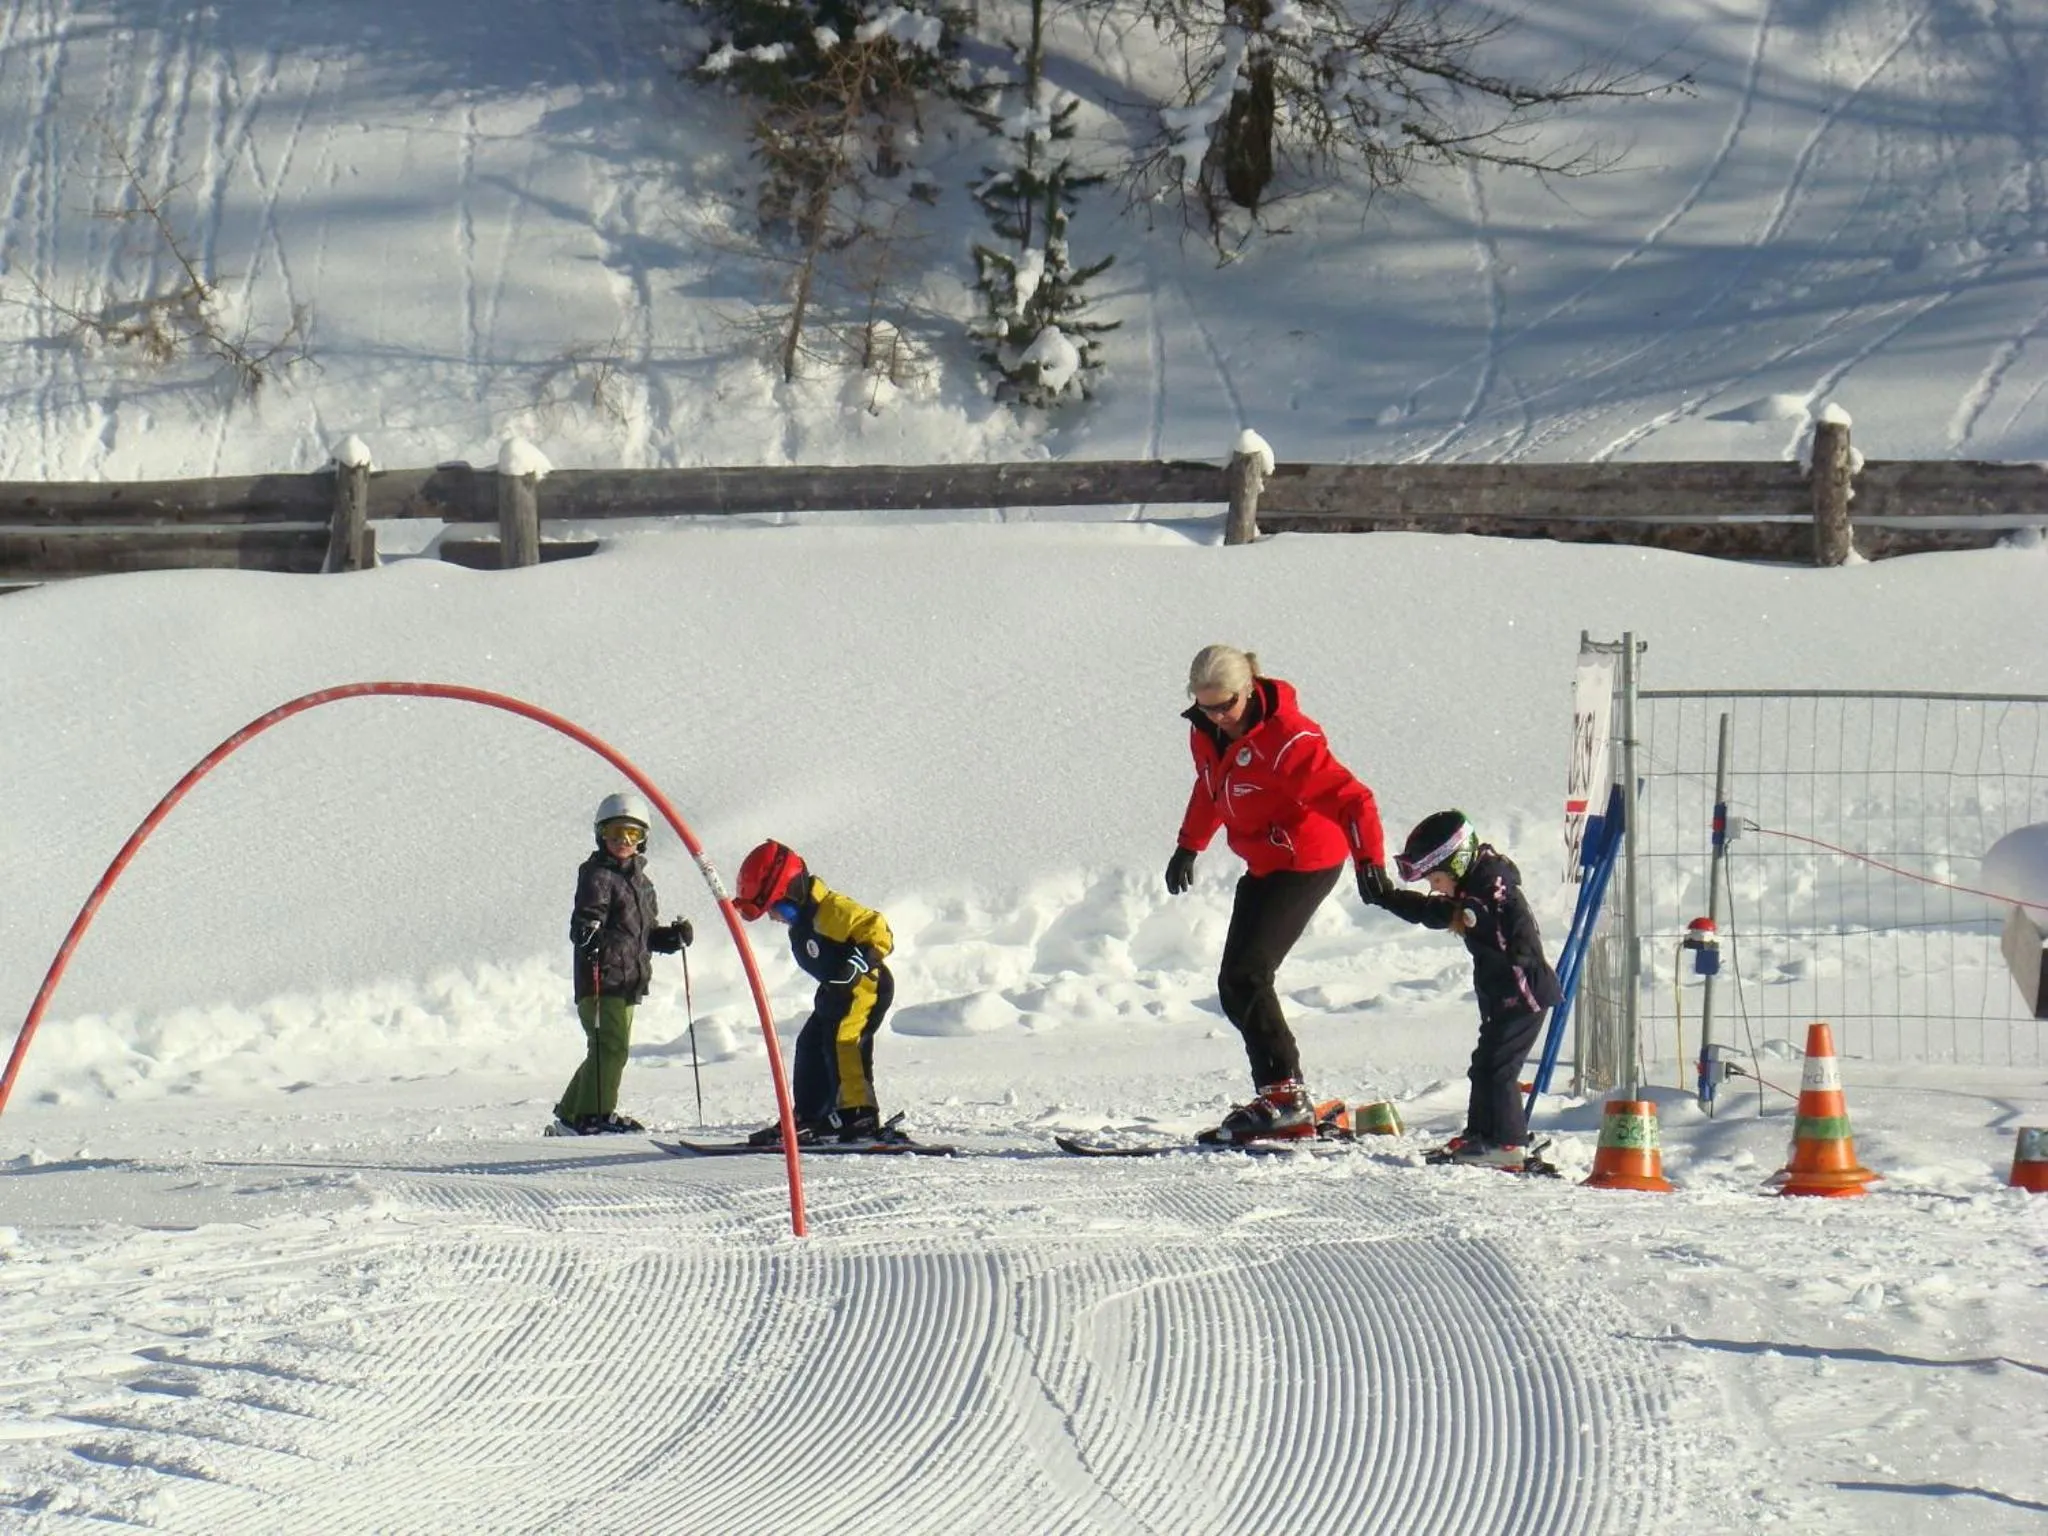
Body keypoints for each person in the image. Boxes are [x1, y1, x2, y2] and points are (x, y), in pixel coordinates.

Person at [1165, 644, 1392, 1142]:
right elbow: (1210, 787)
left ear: (1248, 689)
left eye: (1226, 705)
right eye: (1205, 707)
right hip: (1265, 861)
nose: (1217, 717)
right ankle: (1281, 1094)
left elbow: (1354, 799)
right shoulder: (1207, 731)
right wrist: (1189, 845)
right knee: (1235, 981)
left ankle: (1285, 1097)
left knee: (1247, 976)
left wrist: (1369, 860)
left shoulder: (1290, 740)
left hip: (1305, 860)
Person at [1367, 809, 1562, 1169]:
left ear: (1456, 864)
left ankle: (1507, 1144)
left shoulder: (1489, 888)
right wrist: (1387, 897)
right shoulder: (1473, 889)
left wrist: (1513, 958)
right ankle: (1482, 1134)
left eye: (1436, 878)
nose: (1434, 887)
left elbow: (1504, 904)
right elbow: (1434, 912)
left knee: (1500, 1069)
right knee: (1484, 1065)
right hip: (1502, 995)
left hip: (1522, 993)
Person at [731, 839, 905, 1147]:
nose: (775, 917)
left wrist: (861, 959)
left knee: (843, 1043)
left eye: (777, 907)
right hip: (835, 993)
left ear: (793, 891)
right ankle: (811, 1116)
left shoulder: (831, 910)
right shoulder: (805, 923)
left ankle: (858, 1115)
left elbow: (877, 928)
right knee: (810, 1043)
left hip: (864, 988)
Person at [552, 791, 692, 1136]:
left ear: (643, 839)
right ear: (601, 835)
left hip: (627, 980)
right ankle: (594, 1115)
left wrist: (668, 938)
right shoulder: (598, 874)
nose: (623, 841)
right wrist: (586, 933)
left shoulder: (642, 884)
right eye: (615, 833)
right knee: (612, 1047)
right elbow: (587, 916)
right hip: (602, 976)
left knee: (606, 1047)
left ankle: (573, 1114)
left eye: (633, 834)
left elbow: (639, 936)